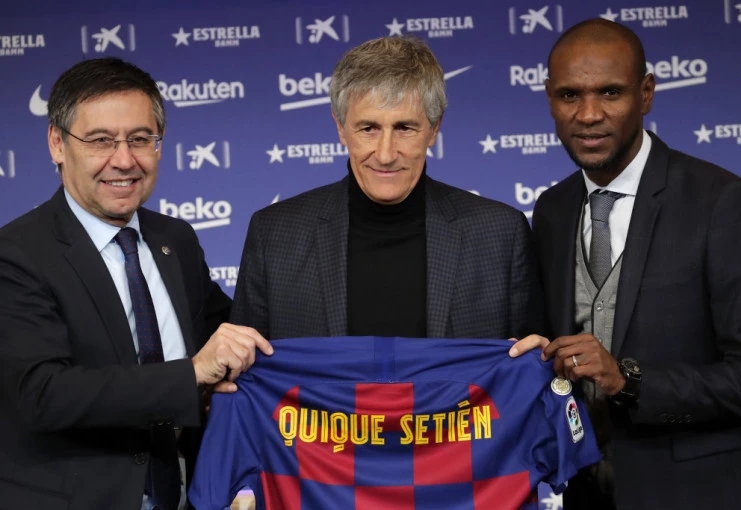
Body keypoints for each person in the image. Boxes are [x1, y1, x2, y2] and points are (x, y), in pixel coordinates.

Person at [0, 57, 271, 510]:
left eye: (141, 139)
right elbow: (43, 394)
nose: (124, 160)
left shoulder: (175, 239)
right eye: (100, 141)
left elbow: (229, 333)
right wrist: (191, 376)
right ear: (57, 144)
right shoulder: (16, 254)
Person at [534, 18, 741, 509]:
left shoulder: (722, 203)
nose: (588, 114)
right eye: (570, 95)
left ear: (646, 94)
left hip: (699, 495)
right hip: (585, 493)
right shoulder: (552, 210)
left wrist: (630, 380)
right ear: (550, 97)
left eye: (610, 93)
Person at [231, 36, 543, 346]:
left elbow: (531, 364)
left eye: (404, 128)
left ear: (434, 128)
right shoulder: (274, 235)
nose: (385, 154)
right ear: (341, 127)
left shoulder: (501, 234)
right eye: (369, 128)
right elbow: (245, 368)